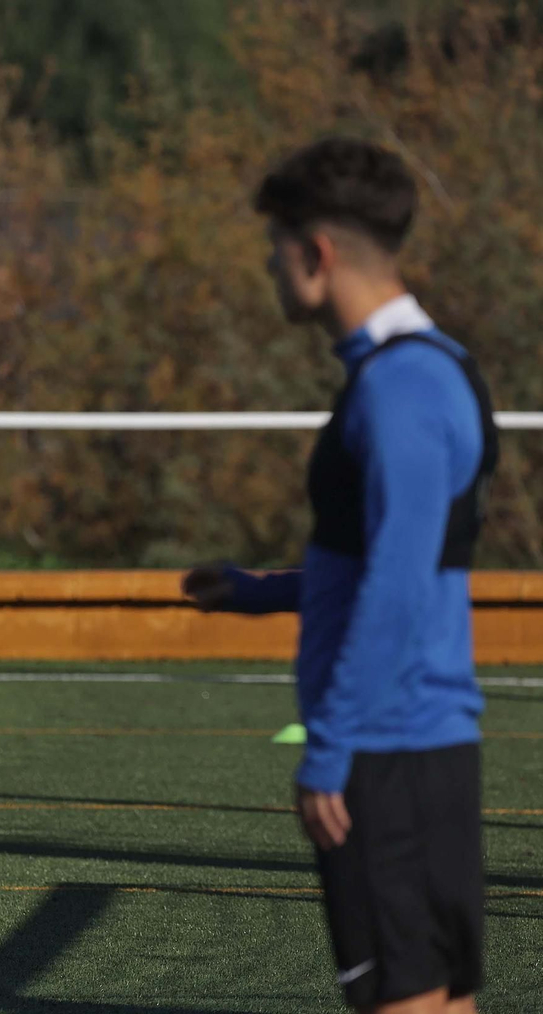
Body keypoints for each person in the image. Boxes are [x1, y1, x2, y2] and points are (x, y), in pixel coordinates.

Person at [184, 138, 495, 1014]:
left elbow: (397, 583)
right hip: (413, 747)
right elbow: (386, 562)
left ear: (316, 254)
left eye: (275, 247)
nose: (269, 267)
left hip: (385, 752)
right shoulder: (424, 371)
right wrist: (259, 592)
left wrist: (332, 746)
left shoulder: (401, 389)